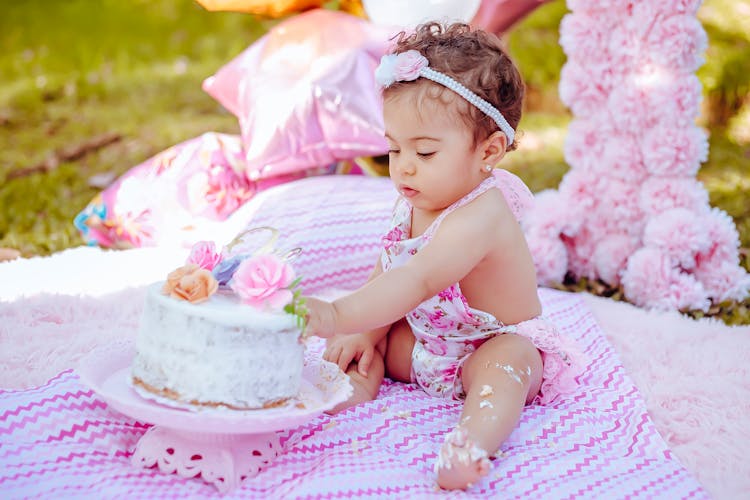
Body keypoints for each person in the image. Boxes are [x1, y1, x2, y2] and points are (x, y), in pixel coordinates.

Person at [303, 22, 583, 491]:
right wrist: (366, 331)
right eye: (394, 149)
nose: (404, 166)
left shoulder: (482, 215)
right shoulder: (419, 197)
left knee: (507, 367)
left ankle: (472, 441)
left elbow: (416, 279)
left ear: (488, 151)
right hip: (425, 346)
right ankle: (353, 391)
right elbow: (391, 267)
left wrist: (338, 314)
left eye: (425, 152)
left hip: (485, 346)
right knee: (373, 338)